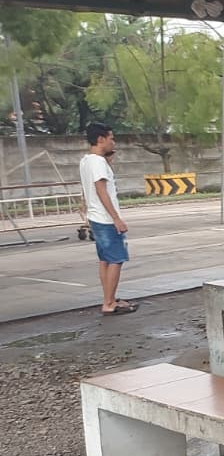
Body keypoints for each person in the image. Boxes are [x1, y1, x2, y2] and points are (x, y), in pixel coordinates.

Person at [79, 122, 136, 315]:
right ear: (100, 139)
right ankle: (109, 303)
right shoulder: (98, 163)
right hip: (106, 219)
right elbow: (101, 191)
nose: (114, 142)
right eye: (111, 138)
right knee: (116, 259)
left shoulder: (86, 161)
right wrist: (116, 218)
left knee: (105, 259)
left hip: (96, 217)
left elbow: (90, 188)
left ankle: (108, 298)